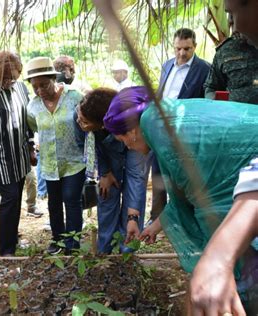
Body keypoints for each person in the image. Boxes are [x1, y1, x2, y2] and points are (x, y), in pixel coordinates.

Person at [102, 86, 258, 313]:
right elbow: (182, 197)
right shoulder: (163, 120)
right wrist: (154, 227)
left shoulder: (159, 129)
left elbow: (208, 206)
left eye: (123, 138)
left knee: (240, 273)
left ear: (132, 131)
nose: (127, 145)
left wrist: (218, 261)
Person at [190, 0, 258, 313]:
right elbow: (211, 91)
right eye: (227, 15)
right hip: (241, 161)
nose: (232, 23)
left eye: (234, 12)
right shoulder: (228, 51)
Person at [149, 28, 211, 224]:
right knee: (158, 170)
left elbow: (206, 102)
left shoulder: (205, 69)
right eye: (178, 48)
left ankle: (185, 218)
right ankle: (157, 217)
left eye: (187, 48)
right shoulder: (167, 65)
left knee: (182, 175)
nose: (182, 53)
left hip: (186, 131)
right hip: (161, 127)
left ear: (195, 46)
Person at [0, 51, 36, 256]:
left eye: (13, 76)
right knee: (9, 199)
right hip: (1, 158)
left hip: (20, 155)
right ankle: (6, 250)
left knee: (17, 199)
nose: (10, 80)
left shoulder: (20, 88)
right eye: (6, 77)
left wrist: (30, 147)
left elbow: (27, 120)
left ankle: (13, 239)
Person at [75, 88, 146, 253]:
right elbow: (83, 145)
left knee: (134, 194)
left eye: (86, 122)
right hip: (105, 155)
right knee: (107, 193)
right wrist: (105, 172)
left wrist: (132, 216)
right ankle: (105, 251)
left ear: (103, 124)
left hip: (133, 143)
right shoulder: (80, 115)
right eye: (80, 118)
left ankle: (127, 251)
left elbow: (136, 176)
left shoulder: (131, 127)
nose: (80, 121)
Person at [26, 56, 85, 254]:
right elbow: (34, 129)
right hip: (50, 163)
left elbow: (86, 125)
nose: (40, 90)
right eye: (35, 87)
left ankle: (73, 243)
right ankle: (58, 240)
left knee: (72, 199)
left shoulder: (74, 97)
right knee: (53, 203)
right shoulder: (32, 107)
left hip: (74, 161)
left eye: (44, 84)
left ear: (54, 78)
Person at [204, 17, 258, 103]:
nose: (235, 29)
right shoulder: (225, 50)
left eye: (241, 21)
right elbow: (211, 88)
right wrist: (216, 106)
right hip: (235, 114)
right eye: (232, 23)